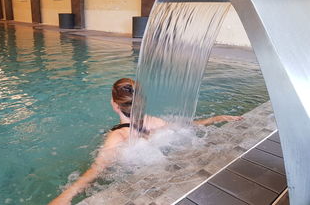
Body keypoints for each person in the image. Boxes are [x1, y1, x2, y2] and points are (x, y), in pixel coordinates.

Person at [49, 78, 242, 205]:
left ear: (114, 105)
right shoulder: (156, 122)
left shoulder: (117, 137)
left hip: (141, 179)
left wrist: (67, 194)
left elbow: (96, 170)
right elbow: (191, 125)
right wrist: (218, 118)